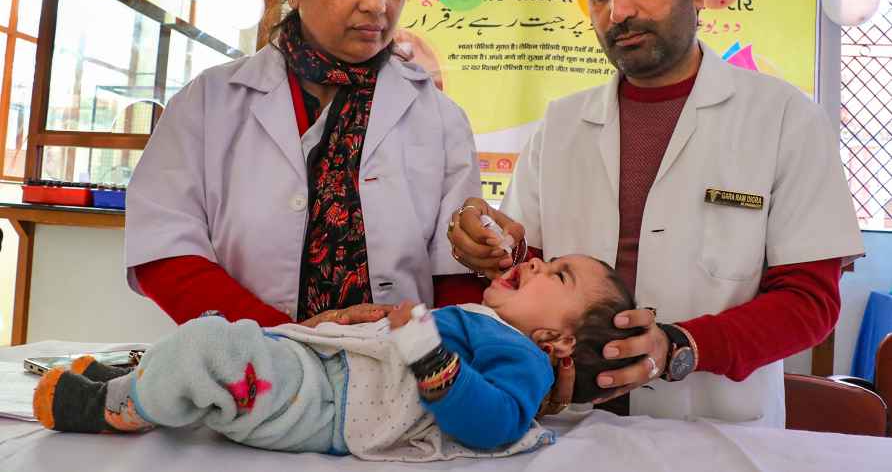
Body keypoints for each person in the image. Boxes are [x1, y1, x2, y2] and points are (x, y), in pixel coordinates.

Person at [447, 0, 864, 427]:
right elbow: (531, 261)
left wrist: (680, 346)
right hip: (562, 425)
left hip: (713, 427)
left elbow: (810, 303)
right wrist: (495, 249)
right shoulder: (562, 125)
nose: (619, 11)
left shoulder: (784, 119)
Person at [124, 0, 481, 330]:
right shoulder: (209, 102)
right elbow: (164, 251)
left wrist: (444, 366)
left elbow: (458, 274)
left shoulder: (439, 118)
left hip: (398, 376)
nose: (377, 4)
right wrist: (280, 343)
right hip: (245, 368)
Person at [34, 255, 641, 461]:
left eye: (557, 275)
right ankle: (142, 380)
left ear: (558, 344)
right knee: (225, 337)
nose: (535, 262)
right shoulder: (489, 326)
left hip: (329, 406)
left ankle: (110, 406)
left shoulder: (525, 358)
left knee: (212, 348)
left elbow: (498, 423)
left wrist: (428, 357)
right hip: (322, 378)